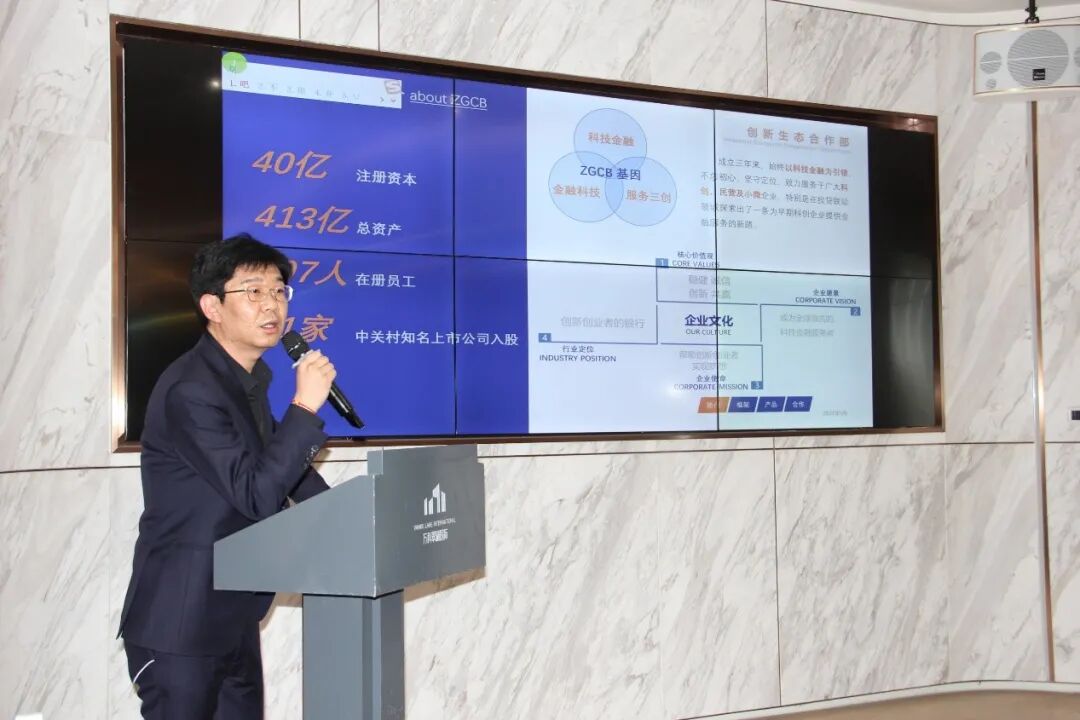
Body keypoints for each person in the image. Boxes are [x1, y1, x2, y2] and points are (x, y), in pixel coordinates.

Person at [118, 233, 337, 718]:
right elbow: (256, 494)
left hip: (234, 611)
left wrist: (356, 514)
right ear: (212, 306)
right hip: (182, 620)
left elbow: (287, 473)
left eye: (278, 291)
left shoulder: (245, 382)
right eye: (253, 291)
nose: (272, 305)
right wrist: (304, 407)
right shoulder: (191, 390)